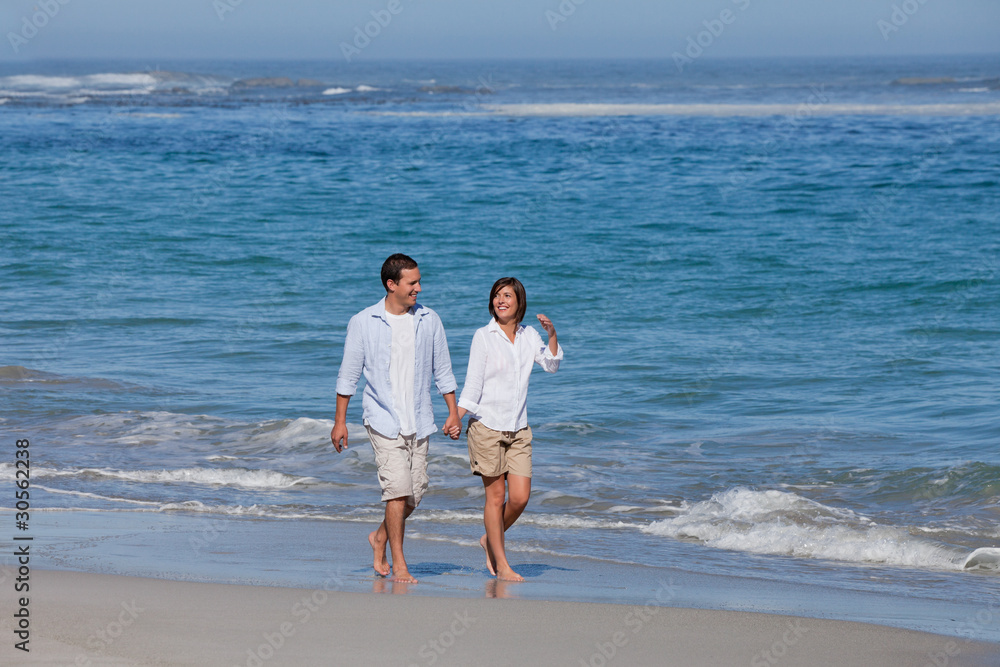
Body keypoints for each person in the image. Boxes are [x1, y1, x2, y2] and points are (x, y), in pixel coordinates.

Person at [331, 254, 461, 584]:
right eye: (412, 283)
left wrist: (453, 412)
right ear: (392, 285)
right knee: (397, 492)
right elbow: (348, 375)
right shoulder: (364, 321)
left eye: (419, 281)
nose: (419, 288)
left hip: (419, 418)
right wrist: (340, 421)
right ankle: (400, 564)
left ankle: (379, 537)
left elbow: (443, 370)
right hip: (383, 419)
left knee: (414, 495)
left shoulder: (429, 320)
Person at [452, 277, 562, 582]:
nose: (501, 300)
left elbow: (551, 365)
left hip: (518, 429)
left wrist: (552, 334)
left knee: (520, 498)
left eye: (507, 296)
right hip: (486, 426)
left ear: (519, 302)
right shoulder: (483, 336)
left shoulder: (529, 336)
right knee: (496, 496)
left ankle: (490, 537)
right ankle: (501, 565)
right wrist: (456, 416)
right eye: (497, 295)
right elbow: (473, 384)